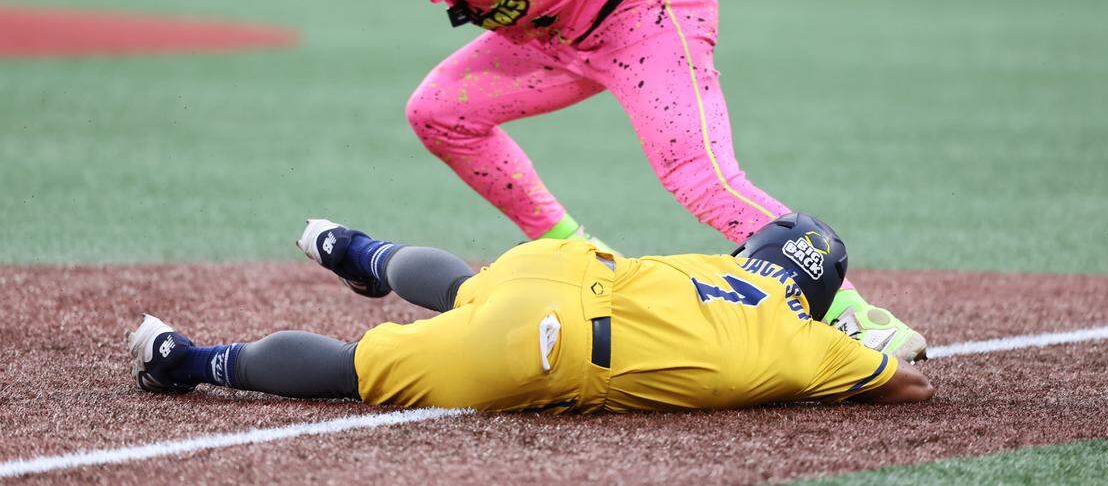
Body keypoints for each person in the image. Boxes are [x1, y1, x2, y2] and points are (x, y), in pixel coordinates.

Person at [277, 0, 924, 361]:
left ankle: (856, 314)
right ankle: (584, 258)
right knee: (438, 112)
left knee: (698, 175)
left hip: (647, 14)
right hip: (561, 36)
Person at [128, 212, 933, 411]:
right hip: (562, 348)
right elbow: (907, 383)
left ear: (753, 248)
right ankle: (184, 360)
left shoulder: (719, 266)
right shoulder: (808, 340)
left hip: (568, 264)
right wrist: (850, 338)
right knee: (352, 370)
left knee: (468, 287)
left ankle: (357, 247)